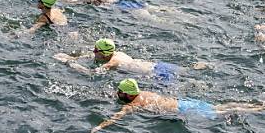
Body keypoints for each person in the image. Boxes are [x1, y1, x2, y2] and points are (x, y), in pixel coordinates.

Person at [90, 78, 265, 133]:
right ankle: (258, 105)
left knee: (225, 111)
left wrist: (99, 126)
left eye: (120, 92)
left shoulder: (134, 103)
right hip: (184, 102)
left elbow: (117, 117)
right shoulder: (144, 93)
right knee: (221, 106)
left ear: (128, 94)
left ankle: (263, 109)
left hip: (183, 110)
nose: (118, 94)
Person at [56, 38, 185, 82]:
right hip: (159, 65)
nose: (93, 52)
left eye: (96, 50)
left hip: (157, 74)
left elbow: (92, 74)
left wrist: (71, 64)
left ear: (104, 54)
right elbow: (90, 56)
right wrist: (72, 57)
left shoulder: (113, 62)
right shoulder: (116, 53)